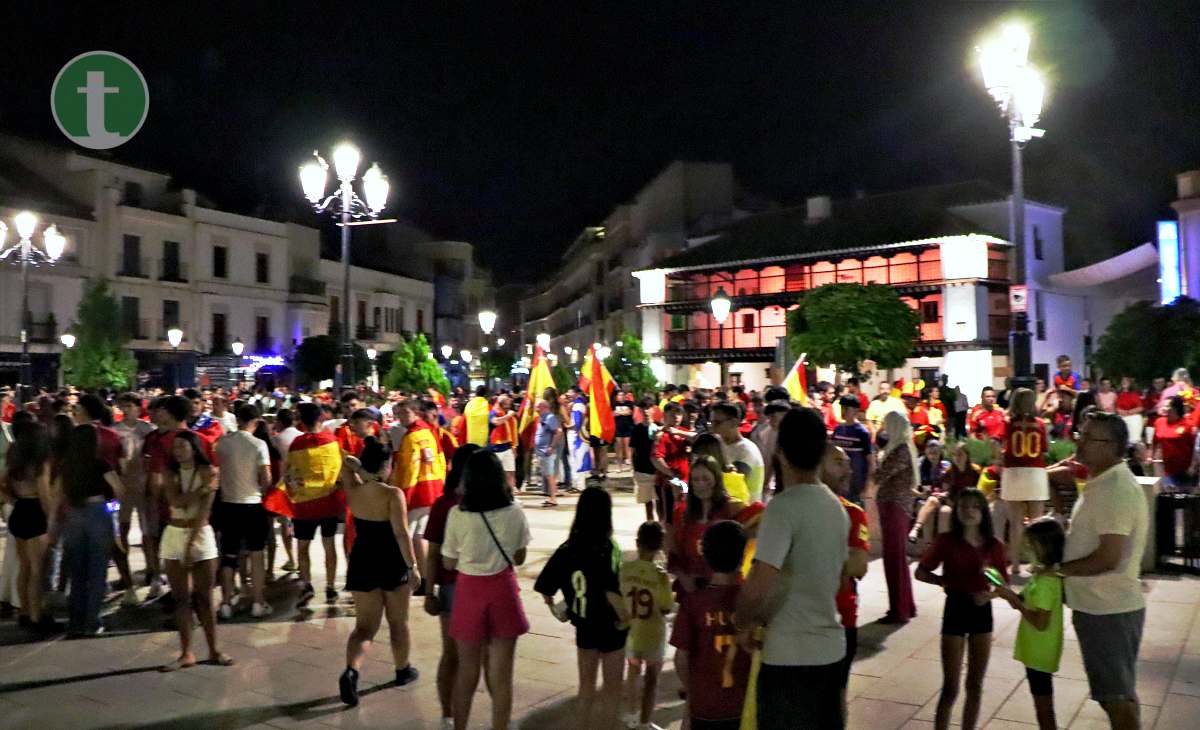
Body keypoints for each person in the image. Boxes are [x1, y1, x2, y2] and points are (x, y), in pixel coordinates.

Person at [736, 407, 849, 730]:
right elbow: (841, 581)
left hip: (788, 656)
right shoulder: (835, 508)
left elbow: (760, 581)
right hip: (830, 651)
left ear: (781, 453)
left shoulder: (783, 509)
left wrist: (742, 621)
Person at [1058, 411, 1148, 730]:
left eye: (1087, 437)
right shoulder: (1103, 480)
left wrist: (1058, 571)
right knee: (1119, 692)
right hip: (1101, 606)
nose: (1078, 441)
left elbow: (1109, 557)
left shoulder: (1115, 489)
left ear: (1112, 446)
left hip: (1108, 609)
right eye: (1080, 433)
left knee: (1116, 698)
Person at [441, 450, 531, 730]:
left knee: (467, 673)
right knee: (502, 677)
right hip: (502, 590)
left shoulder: (457, 514)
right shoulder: (514, 511)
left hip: (469, 591)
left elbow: (448, 560)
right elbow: (519, 557)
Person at [535, 487, 629, 730]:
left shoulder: (568, 548)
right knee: (612, 689)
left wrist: (559, 609)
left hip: (585, 626)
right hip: (611, 626)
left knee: (585, 688)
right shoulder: (609, 548)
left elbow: (546, 587)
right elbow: (611, 591)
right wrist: (626, 619)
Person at [915, 488, 1008, 730]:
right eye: (964, 506)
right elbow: (921, 571)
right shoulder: (946, 541)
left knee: (975, 684)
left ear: (983, 512)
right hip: (955, 607)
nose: (969, 511)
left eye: (975, 506)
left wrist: (990, 594)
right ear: (957, 511)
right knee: (951, 687)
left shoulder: (994, 545)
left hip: (981, 610)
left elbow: (1001, 581)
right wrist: (943, 582)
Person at [337, 438, 420, 705]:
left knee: (364, 627)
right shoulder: (393, 494)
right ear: (386, 465)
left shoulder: (353, 489)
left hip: (362, 559)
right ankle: (402, 669)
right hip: (392, 561)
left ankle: (351, 671)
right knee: (398, 622)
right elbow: (401, 533)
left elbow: (345, 461)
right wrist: (413, 567)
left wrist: (361, 470)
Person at [160, 430, 234, 670]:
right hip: (174, 533)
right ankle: (186, 652)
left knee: (204, 597)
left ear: (194, 448)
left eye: (183, 446)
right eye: (176, 447)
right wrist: (203, 489)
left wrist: (191, 544)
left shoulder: (208, 471)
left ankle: (214, 649)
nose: (178, 451)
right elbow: (176, 502)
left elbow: (205, 511)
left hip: (200, 535)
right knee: (181, 598)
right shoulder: (170, 473)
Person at [670, 520, 751, 730]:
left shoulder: (694, 602)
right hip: (744, 705)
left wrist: (690, 694)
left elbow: (681, 658)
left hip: (705, 706)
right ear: (743, 556)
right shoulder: (752, 601)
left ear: (705, 556)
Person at [423, 444, 482, 730]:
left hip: (453, 587)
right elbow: (433, 552)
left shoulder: (445, 504)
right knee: (465, 656)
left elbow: (433, 552)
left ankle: (450, 714)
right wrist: (428, 590)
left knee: (455, 655)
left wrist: (430, 590)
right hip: (464, 587)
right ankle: (452, 714)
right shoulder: (448, 505)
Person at [993, 518, 1066, 730]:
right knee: (1042, 705)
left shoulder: (1046, 583)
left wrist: (1014, 601)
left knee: (1043, 708)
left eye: (1030, 545)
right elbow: (1024, 602)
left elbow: (1040, 622)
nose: (1026, 549)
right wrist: (1007, 594)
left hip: (1040, 651)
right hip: (1036, 649)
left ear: (1044, 547)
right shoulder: (1042, 576)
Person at [820, 443, 870, 723]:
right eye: (839, 462)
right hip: (802, 619)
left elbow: (858, 565)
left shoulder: (853, 513)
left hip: (841, 618)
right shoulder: (793, 506)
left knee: (835, 698)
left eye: (847, 463)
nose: (848, 469)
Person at [59, 424, 124, 637]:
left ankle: (75, 621)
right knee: (97, 571)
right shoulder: (100, 464)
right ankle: (92, 621)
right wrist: (111, 509)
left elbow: (60, 494)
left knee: (77, 572)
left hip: (74, 514)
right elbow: (119, 490)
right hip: (98, 512)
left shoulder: (66, 465)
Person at [215, 404, 273, 619]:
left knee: (229, 555)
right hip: (252, 504)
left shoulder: (222, 443)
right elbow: (266, 479)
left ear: (237, 419)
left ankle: (226, 603)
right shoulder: (258, 444)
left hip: (228, 504)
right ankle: (258, 602)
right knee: (257, 554)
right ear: (256, 422)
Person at [285, 401, 345, 607]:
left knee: (302, 548)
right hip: (328, 502)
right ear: (320, 418)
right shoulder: (333, 441)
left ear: (302, 421)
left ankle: (306, 585)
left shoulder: (296, 444)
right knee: (329, 546)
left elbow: (289, 473)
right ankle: (330, 588)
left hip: (304, 505)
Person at [0, 421, 57, 630]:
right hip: (35, 513)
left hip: (20, 511)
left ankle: (24, 611)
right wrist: (52, 520)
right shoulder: (41, 461)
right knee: (37, 570)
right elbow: (44, 494)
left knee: (24, 568)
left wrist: (13, 500)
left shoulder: (15, 459)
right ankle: (36, 616)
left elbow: (1, 483)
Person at [620, 521, 673, 730]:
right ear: (660, 548)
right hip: (654, 635)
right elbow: (666, 607)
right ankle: (645, 721)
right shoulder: (660, 577)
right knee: (652, 679)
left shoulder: (626, 569)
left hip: (632, 632)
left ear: (637, 543)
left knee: (632, 673)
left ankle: (631, 715)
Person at [391, 399, 444, 597]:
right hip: (433, 488)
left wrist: (403, 495)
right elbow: (440, 459)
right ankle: (428, 577)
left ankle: (420, 578)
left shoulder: (411, 437)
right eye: (399, 414)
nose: (401, 417)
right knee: (421, 536)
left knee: (413, 537)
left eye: (405, 413)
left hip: (417, 493)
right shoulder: (429, 432)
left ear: (416, 413)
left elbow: (408, 470)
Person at [115, 392, 160, 599]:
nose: (126, 410)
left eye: (130, 406)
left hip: (145, 486)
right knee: (120, 529)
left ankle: (154, 571)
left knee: (148, 531)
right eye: (122, 406)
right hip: (121, 488)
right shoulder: (115, 431)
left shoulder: (148, 430)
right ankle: (127, 579)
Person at [875, 410, 919, 624]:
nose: (884, 429)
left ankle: (898, 610)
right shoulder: (903, 448)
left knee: (894, 559)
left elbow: (880, 475)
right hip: (894, 506)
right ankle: (906, 605)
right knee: (897, 559)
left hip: (894, 507)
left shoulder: (899, 451)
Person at [1001, 388, 1050, 573]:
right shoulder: (1039, 423)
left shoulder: (1007, 423)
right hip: (1035, 472)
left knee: (1015, 523)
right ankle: (1035, 562)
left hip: (1013, 472)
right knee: (1036, 522)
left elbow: (1001, 446)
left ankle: (1014, 564)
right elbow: (1044, 450)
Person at [911, 443, 980, 543]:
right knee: (939, 506)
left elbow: (978, 492)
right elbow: (945, 490)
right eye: (954, 455)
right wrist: (942, 495)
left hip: (967, 504)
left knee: (944, 510)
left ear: (967, 456)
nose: (957, 458)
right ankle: (917, 530)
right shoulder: (950, 471)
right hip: (951, 502)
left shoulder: (975, 471)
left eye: (960, 454)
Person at [650, 402, 690, 524]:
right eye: (673, 415)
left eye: (679, 414)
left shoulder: (683, 432)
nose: (676, 417)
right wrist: (672, 474)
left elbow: (698, 437)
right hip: (669, 484)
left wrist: (680, 433)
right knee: (669, 518)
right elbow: (656, 458)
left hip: (685, 482)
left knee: (684, 514)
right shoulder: (662, 436)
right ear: (665, 416)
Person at [830, 396, 873, 507]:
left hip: (856, 484)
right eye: (842, 408)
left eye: (846, 408)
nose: (843, 411)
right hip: (838, 482)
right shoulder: (838, 430)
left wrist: (867, 488)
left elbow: (871, 462)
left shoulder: (862, 432)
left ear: (855, 410)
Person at [1153, 395, 1195, 487]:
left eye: (1167, 406)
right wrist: (1152, 458)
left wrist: (1192, 466)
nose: (1164, 408)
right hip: (1167, 470)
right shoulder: (1159, 422)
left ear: (1176, 408)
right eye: (1163, 406)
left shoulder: (1188, 425)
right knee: (1169, 496)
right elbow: (1155, 442)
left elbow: (1195, 447)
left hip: (1186, 471)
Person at [629, 399, 660, 522]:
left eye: (648, 408)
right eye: (643, 408)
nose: (646, 411)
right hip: (642, 469)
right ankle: (650, 525)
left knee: (660, 501)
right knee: (648, 502)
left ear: (653, 409)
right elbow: (633, 451)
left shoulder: (659, 427)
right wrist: (633, 469)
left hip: (658, 469)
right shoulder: (636, 429)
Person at [534, 399, 562, 507]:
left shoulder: (550, 417)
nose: (536, 409)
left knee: (550, 475)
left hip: (547, 452)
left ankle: (553, 499)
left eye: (537, 407)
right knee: (548, 475)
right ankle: (551, 497)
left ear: (543, 407)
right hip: (542, 452)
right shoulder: (542, 417)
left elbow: (558, 432)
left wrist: (551, 447)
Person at [488, 395, 519, 491]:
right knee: (495, 474)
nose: (508, 404)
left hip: (508, 447)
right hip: (496, 448)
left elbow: (513, 432)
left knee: (510, 472)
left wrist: (514, 447)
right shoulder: (493, 412)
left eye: (509, 402)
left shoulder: (510, 414)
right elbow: (496, 422)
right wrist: (508, 416)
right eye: (506, 402)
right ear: (500, 402)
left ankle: (511, 496)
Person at [613, 389, 635, 469]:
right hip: (618, 428)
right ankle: (620, 467)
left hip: (628, 427)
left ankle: (631, 466)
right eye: (619, 395)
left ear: (625, 396)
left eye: (622, 395)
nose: (621, 397)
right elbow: (612, 414)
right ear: (617, 397)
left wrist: (619, 413)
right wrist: (622, 413)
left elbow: (629, 412)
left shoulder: (629, 403)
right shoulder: (614, 404)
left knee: (628, 447)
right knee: (619, 448)